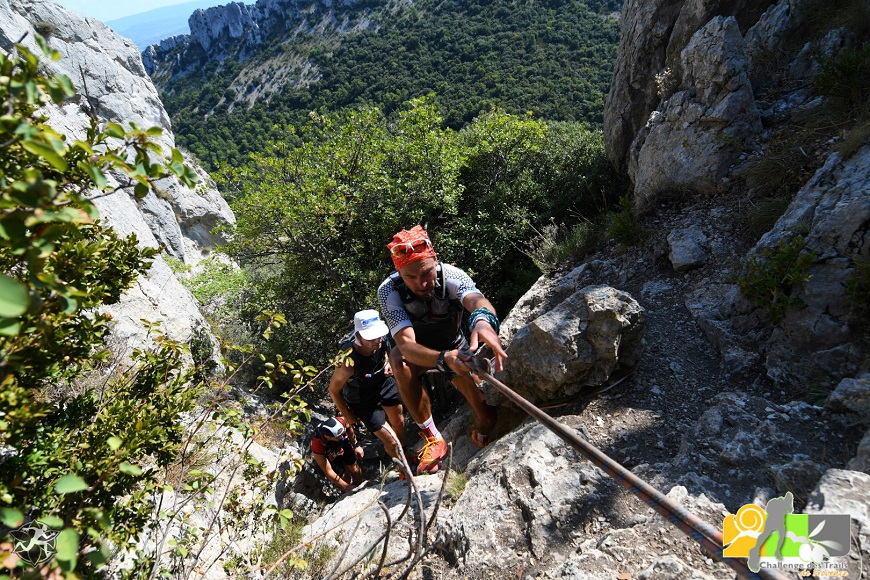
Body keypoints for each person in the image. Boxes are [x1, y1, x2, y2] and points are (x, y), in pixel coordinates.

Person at [376, 225, 507, 475]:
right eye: (410, 278)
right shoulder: (389, 290)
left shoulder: (451, 276)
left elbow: (476, 300)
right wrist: (443, 359)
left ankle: (480, 439)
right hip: (423, 355)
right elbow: (406, 345)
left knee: (487, 418)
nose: (421, 283)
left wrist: (483, 321)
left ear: (434, 260)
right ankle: (433, 437)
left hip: (453, 347)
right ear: (399, 273)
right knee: (398, 360)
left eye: (425, 273)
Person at [328, 309, 409, 467]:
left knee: (399, 422)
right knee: (391, 441)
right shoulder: (347, 363)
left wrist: (387, 364)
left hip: (383, 382)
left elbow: (386, 352)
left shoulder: (381, 340)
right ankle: (402, 467)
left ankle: (405, 452)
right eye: (371, 337)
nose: (376, 340)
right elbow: (333, 390)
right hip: (362, 398)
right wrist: (347, 414)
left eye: (378, 334)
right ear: (358, 336)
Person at [310, 416, 364, 493]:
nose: (342, 437)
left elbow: (348, 427)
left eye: (342, 434)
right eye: (338, 436)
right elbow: (327, 470)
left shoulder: (341, 421)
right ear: (327, 436)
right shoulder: (317, 444)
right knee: (345, 478)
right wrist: (346, 486)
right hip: (329, 452)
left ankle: (362, 482)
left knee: (354, 468)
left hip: (344, 444)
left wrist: (356, 445)